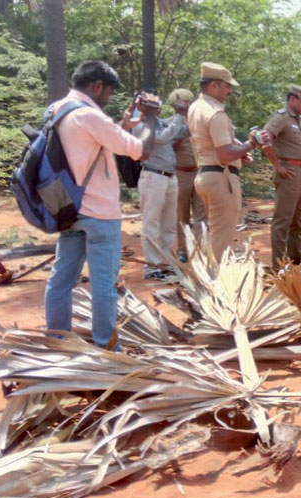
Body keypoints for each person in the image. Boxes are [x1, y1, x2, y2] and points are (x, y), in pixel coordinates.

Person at [44, 60, 158, 348]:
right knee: (103, 286)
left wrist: (124, 125)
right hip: (100, 214)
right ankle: (106, 347)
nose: (108, 98)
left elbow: (92, 144)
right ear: (96, 86)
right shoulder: (90, 116)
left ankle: (57, 341)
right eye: (107, 91)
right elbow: (139, 151)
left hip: (69, 209)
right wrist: (152, 120)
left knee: (61, 282)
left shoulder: (57, 111)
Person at [188, 62, 265, 263]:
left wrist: (239, 151)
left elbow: (218, 146)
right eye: (226, 85)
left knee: (211, 232)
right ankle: (212, 283)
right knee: (220, 237)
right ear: (214, 85)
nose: (229, 90)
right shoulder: (215, 113)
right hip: (221, 178)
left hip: (205, 175)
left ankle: (202, 275)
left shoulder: (196, 107)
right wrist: (251, 144)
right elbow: (225, 154)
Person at [131, 92, 189, 279]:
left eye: (157, 104)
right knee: (152, 224)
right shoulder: (139, 126)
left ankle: (165, 262)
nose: (156, 107)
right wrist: (180, 116)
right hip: (153, 177)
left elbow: (180, 132)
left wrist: (188, 114)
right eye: (150, 105)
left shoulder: (162, 122)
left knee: (168, 224)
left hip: (169, 177)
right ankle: (152, 267)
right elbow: (163, 138)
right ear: (141, 107)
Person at [262, 84, 301, 268]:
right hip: (289, 172)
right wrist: (277, 166)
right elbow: (265, 138)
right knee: (283, 219)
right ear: (292, 99)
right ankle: (278, 263)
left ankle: (297, 255)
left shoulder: (298, 119)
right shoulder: (281, 118)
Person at [169, 88, 206, 263]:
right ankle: (183, 250)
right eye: (182, 102)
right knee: (181, 216)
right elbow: (169, 149)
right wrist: (182, 134)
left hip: (199, 173)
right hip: (180, 173)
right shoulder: (169, 124)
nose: (185, 105)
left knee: (202, 215)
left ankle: (200, 250)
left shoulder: (198, 122)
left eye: (187, 102)